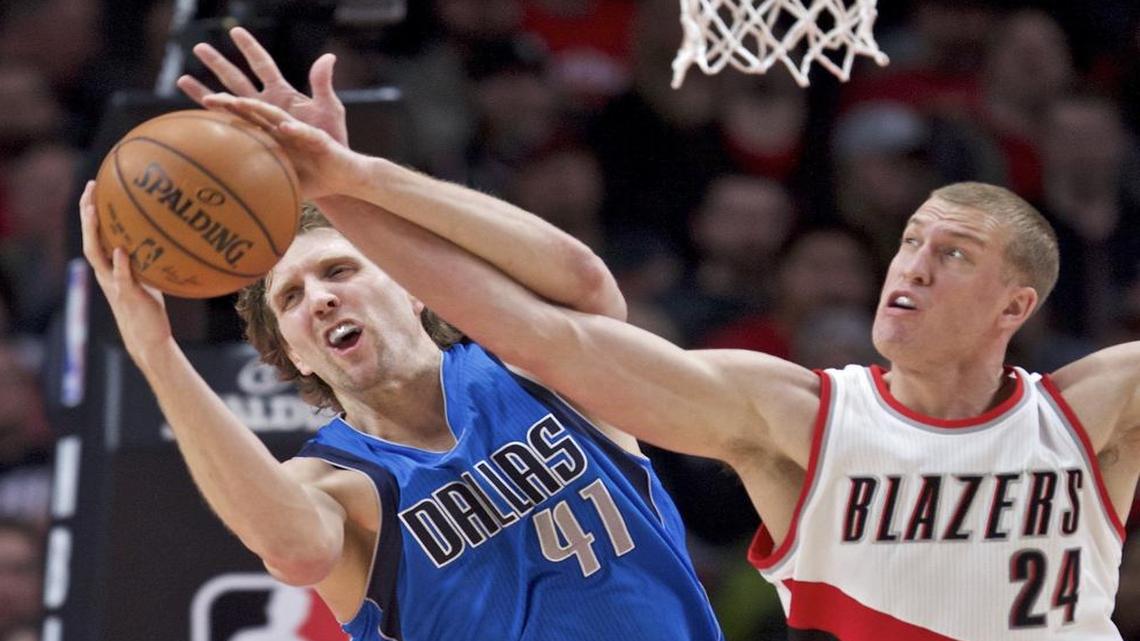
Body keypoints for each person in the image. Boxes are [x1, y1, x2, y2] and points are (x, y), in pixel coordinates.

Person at [202, 37, 1137, 640]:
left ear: (1016, 307)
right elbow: (550, 330)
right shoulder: (793, 412)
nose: (914, 266)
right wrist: (349, 181)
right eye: (908, 241)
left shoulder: (1091, 410)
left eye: (953, 253)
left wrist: (351, 186)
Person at [77, 28, 724, 641]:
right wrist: (155, 353)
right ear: (293, 353)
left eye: (339, 269)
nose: (323, 297)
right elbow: (296, 549)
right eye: (292, 298)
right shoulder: (337, 482)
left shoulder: (535, 367)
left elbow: (584, 282)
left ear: (415, 287)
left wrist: (353, 178)